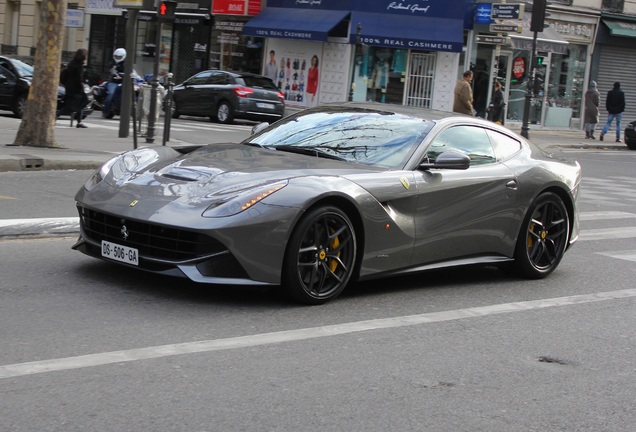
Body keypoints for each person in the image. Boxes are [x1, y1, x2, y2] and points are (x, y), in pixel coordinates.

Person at [59, 48, 89, 128]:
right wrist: (81, 86)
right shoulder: (79, 65)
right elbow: (78, 78)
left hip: (69, 87)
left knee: (75, 103)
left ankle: (79, 121)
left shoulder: (71, 63)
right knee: (78, 103)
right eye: (85, 54)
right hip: (76, 88)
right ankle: (57, 115)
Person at [103, 48, 126, 118]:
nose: (117, 58)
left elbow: (132, 72)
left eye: (119, 57)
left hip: (124, 83)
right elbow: (110, 70)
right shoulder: (112, 63)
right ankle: (106, 111)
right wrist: (114, 73)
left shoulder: (127, 64)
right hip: (113, 82)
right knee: (111, 94)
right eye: (116, 56)